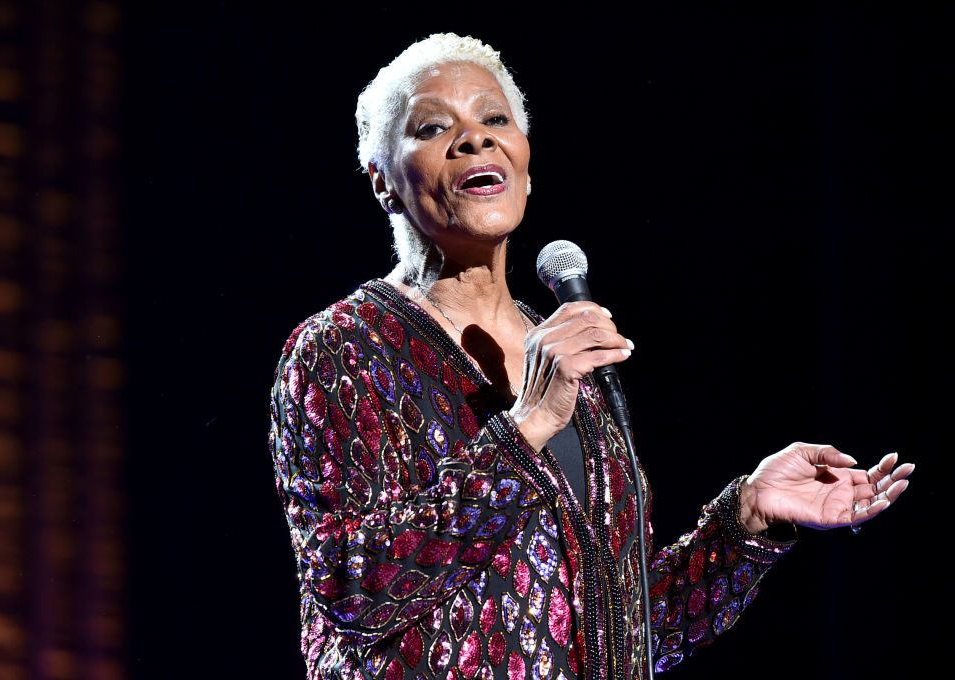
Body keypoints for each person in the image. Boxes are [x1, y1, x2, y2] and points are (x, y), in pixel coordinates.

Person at [267, 33, 913, 680]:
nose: (475, 139)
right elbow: (352, 593)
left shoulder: (572, 357)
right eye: (434, 126)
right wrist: (527, 430)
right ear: (382, 180)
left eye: (495, 119)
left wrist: (745, 524)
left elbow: (625, 632)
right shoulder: (343, 350)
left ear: (524, 160)